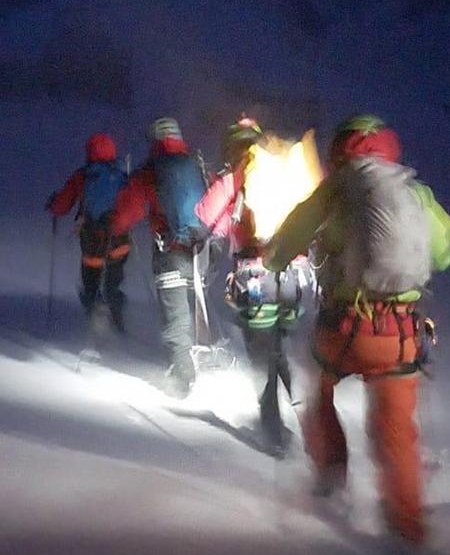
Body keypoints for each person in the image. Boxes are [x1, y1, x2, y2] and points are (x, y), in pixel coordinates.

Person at [264, 114, 450, 544]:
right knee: (397, 432)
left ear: (342, 150)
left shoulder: (336, 189)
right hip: (401, 337)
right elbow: (446, 253)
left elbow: (284, 245)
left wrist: (275, 258)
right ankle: (407, 529)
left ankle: (330, 477)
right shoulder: (414, 191)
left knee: (320, 387)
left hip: (344, 330)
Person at [195, 114, 323, 453]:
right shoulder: (285, 171)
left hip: (256, 279)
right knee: (286, 348)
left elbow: (207, 217)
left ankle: (274, 434)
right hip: (297, 278)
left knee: (261, 356)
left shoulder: (237, 176)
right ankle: (313, 426)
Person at [110, 117, 207, 398]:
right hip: (201, 250)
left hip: (170, 252)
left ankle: (183, 377)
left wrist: (114, 227)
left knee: (176, 313)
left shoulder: (150, 171)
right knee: (198, 305)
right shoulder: (194, 163)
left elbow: (126, 213)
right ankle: (209, 355)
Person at [47, 132, 130, 334]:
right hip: (119, 239)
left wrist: (53, 205)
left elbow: (63, 204)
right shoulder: (121, 174)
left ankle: (94, 320)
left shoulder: (83, 175)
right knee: (113, 280)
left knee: (91, 279)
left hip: (93, 239)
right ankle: (117, 319)